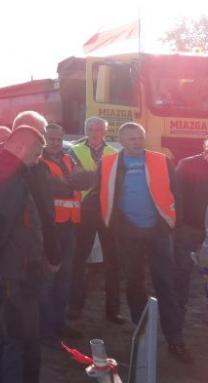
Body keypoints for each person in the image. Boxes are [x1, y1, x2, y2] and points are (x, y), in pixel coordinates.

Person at [83, 122, 193, 364]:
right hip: (127, 232)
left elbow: (177, 194)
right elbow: (98, 193)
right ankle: (142, 332)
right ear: (121, 141)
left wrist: (174, 223)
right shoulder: (109, 163)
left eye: (140, 137)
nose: (137, 142)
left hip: (159, 231)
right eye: (132, 138)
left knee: (166, 284)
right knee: (134, 284)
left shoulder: (161, 160)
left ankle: (175, 339)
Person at [0, 126, 48, 383]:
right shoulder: (10, 179)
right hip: (13, 276)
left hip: (5, 273)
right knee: (15, 340)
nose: (37, 161)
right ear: (20, 148)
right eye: (36, 154)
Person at [38, 123, 89, 348]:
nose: (55, 143)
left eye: (59, 139)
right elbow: (48, 187)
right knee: (48, 280)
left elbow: (86, 180)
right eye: (51, 138)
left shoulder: (69, 158)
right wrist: (70, 182)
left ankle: (59, 326)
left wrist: (65, 183)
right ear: (43, 138)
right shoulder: (38, 162)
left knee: (64, 279)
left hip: (70, 225)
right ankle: (46, 329)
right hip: (51, 227)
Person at [68, 117, 123, 324]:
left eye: (98, 128)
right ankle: (75, 305)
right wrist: (100, 177)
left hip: (108, 210)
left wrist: (89, 175)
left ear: (105, 131)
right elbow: (76, 179)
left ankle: (113, 310)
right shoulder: (74, 150)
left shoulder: (114, 152)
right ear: (85, 130)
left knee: (113, 261)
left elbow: (116, 180)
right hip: (84, 210)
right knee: (78, 259)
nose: (94, 132)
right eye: (90, 129)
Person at [174, 137, 208, 323]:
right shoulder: (187, 166)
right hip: (189, 229)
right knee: (182, 270)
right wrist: (178, 224)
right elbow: (176, 195)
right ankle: (177, 312)